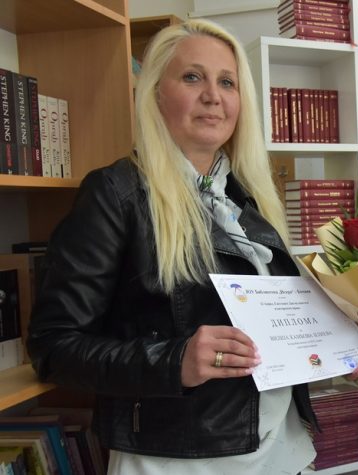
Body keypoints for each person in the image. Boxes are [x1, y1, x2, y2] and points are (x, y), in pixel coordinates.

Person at [26, 19, 319, 474]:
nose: (213, 96)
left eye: (227, 82)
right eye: (192, 77)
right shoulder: (115, 194)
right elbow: (53, 348)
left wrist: (333, 349)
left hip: (282, 449)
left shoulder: (251, 198)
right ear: (156, 94)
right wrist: (174, 361)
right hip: (178, 461)